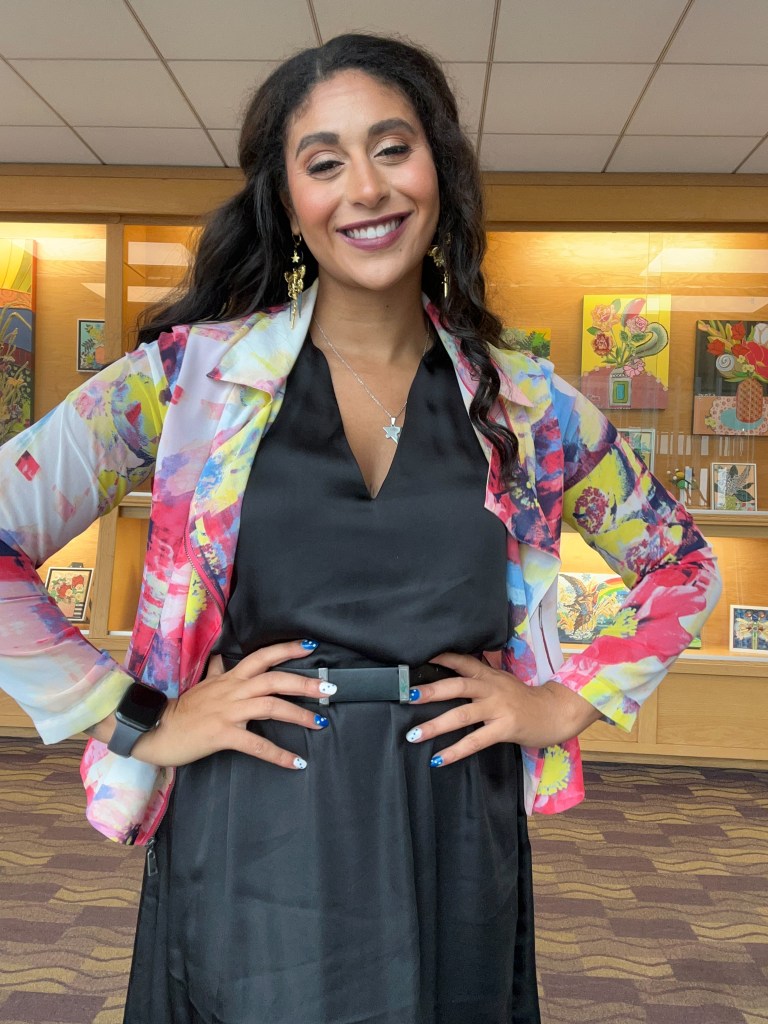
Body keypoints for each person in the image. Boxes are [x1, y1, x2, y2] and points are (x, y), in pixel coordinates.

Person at [0, 33, 720, 1024]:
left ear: (440, 172)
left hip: (453, 814)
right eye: (325, 162)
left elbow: (680, 564)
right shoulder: (191, 382)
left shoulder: (526, 405)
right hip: (256, 805)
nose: (366, 189)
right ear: (286, 198)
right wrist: (140, 718)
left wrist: (564, 703)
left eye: (392, 148)